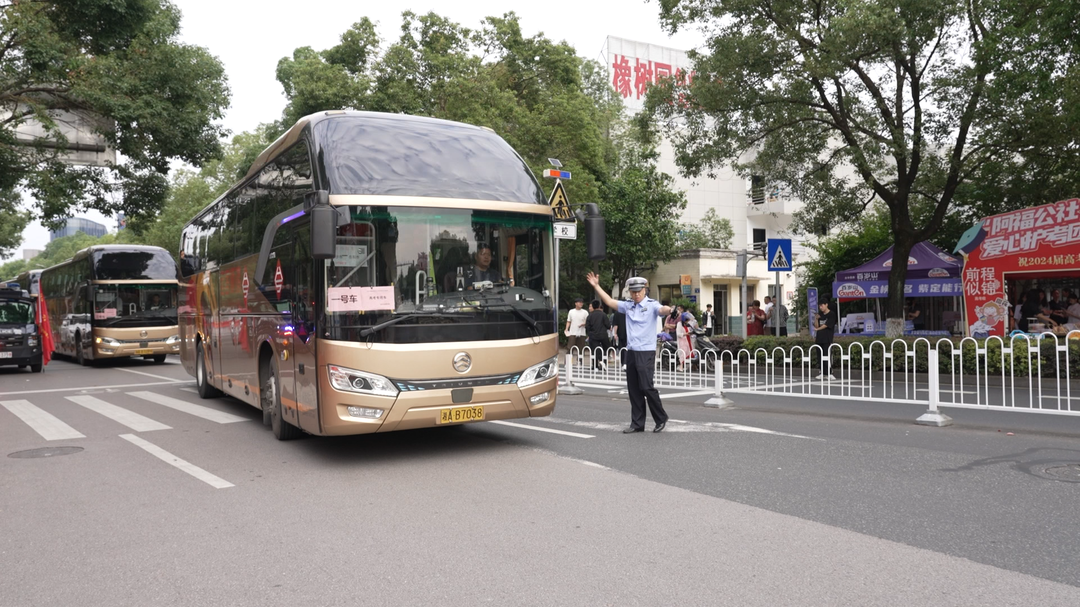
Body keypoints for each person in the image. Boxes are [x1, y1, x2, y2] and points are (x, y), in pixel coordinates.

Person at [586, 272, 671, 433]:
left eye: (639, 291)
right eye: (633, 291)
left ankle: (661, 417)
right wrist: (596, 286)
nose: (636, 294)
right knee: (633, 389)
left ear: (645, 290)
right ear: (630, 292)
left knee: (646, 386)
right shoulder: (628, 305)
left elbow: (662, 309)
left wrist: (670, 310)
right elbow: (610, 301)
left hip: (646, 351)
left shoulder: (652, 305)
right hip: (631, 351)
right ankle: (637, 424)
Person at [814, 299, 837, 380]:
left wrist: (818, 329)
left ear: (826, 304)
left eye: (822, 305)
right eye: (819, 306)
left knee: (827, 355)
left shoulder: (831, 314)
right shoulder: (820, 314)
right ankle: (821, 372)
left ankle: (829, 373)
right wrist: (816, 319)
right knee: (819, 356)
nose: (821, 307)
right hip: (819, 338)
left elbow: (827, 325)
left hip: (827, 338)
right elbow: (816, 326)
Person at [585, 299, 611, 370]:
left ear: (593, 306)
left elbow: (587, 326)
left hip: (593, 335)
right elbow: (608, 325)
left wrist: (589, 334)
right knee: (607, 348)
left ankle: (595, 365)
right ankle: (604, 362)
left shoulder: (590, 316)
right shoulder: (603, 314)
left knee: (594, 350)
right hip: (603, 335)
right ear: (599, 306)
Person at [565, 298, 588, 363]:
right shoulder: (571, 311)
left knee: (581, 349)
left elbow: (588, 322)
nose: (581, 303)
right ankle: (567, 362)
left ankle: (580, 362)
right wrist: (566, 329)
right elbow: (568, 321)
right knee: (570, 348)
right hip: (572, 332)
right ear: (575, 303)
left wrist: (583, 324)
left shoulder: (585, 312)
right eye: (579, 302)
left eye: (582, 302)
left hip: (582, 333)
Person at [674, 304, 696, 371]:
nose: (687, 321)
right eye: (687, 320)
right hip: (682, 341)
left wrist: (691, 332)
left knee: (689, 353)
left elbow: (691, 329)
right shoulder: (679, 324)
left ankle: (687, 366)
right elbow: (678, 334)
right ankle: (681, 366)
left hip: (688, 340)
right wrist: (685, 334)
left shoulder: (687, 325)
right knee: (682, 353)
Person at [612, 300, 628, 369]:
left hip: (621, 332)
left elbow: (616, 325)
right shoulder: (629, 311)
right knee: (628, 348)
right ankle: (626, 362)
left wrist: (615, 334)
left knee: (621, 348)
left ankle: (623, 363)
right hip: (629, 332)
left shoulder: (617, 312)